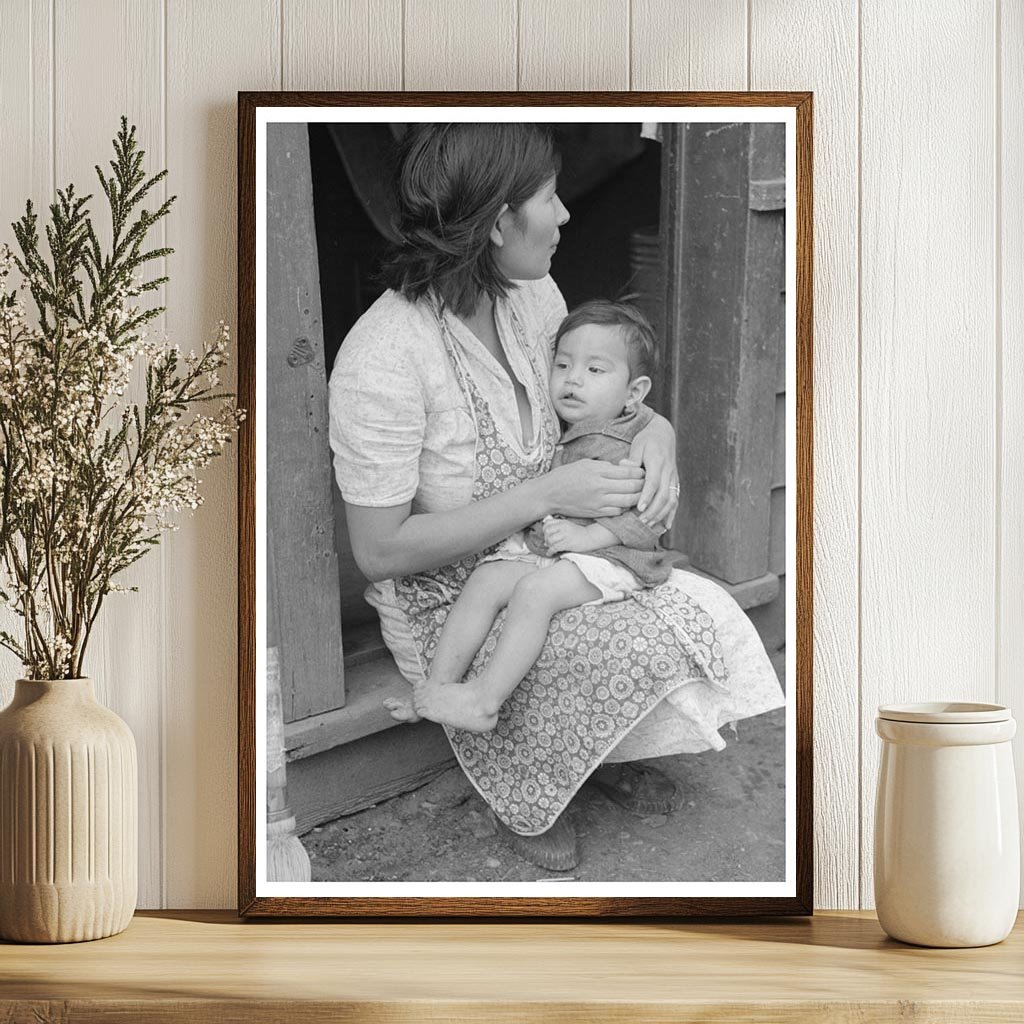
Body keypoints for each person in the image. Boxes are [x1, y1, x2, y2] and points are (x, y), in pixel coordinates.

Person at [329, 122, 785, 873]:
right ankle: (533, 785)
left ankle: (588, 749)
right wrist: (551, 490)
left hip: (550, 544)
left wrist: (657, 432)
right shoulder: (383, 358)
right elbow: (379, 551)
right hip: (454, 599)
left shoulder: (532, 293)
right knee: (629, 636)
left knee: (692, 607)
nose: (566, 214)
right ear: (501, 219)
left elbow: (597, 392)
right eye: (548, 197)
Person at [406, 299, 686, 734]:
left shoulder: (636, 446)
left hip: (616, 560)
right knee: (486, 579)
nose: (573, 380)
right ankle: (437, 688)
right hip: (562, 552)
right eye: (563, 366)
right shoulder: (561, 425)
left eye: (596, 371)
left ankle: (485, 699)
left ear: (634, 393)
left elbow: (650, 521)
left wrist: (585, 538)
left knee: (535, 592)